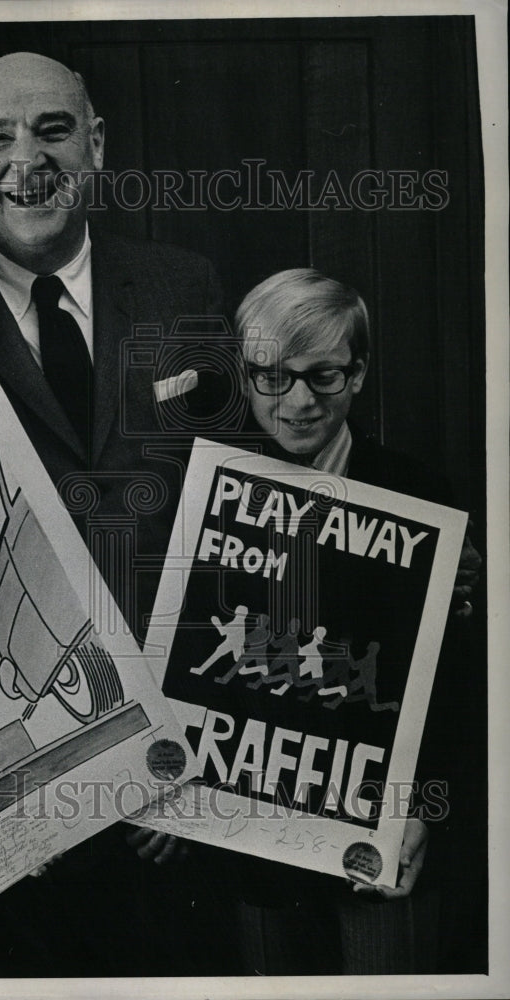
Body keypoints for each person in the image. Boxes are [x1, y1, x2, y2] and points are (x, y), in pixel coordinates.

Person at [0, 51, 232, 976]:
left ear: (94, 146)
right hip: (13, 802)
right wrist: (14, 794)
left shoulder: (181, 287)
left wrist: (188, 732)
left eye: (54, 130)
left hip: (175, 783)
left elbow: (231, 508)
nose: (28, 159)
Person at [227, 267, 481, 974]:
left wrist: (426, 809)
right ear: (246, 377)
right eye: (271, 377)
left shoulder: (419, 496)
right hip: (259, 841)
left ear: (359, 374)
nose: (298, 401)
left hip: (382, 832)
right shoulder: (217, 495)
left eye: (324, 376)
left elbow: (452, 691)